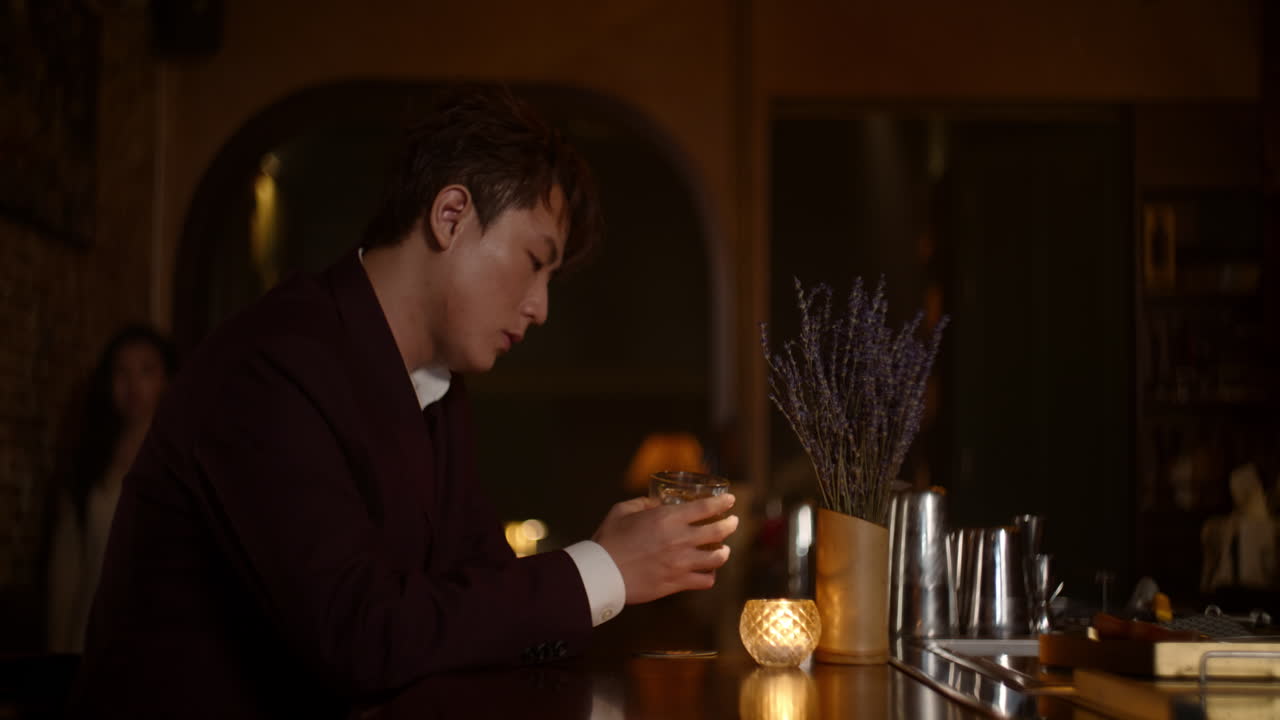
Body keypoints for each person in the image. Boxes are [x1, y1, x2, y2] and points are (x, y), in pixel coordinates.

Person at [69, 87, 738, 718]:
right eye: (535, 261)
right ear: (452, 216)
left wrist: (627, 571)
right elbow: (359, 637)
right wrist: (604, 567)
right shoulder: (274, 364)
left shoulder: (435, 388)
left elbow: (479, 604)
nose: (540, 308)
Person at [47, 325, 178, 653]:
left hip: (161, 643)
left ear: (166, 380)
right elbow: (66, 571)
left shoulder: (181, 464)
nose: (133, 385)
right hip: (90, 640)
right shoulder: (88, 465)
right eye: (121, 372)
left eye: (146, 371)